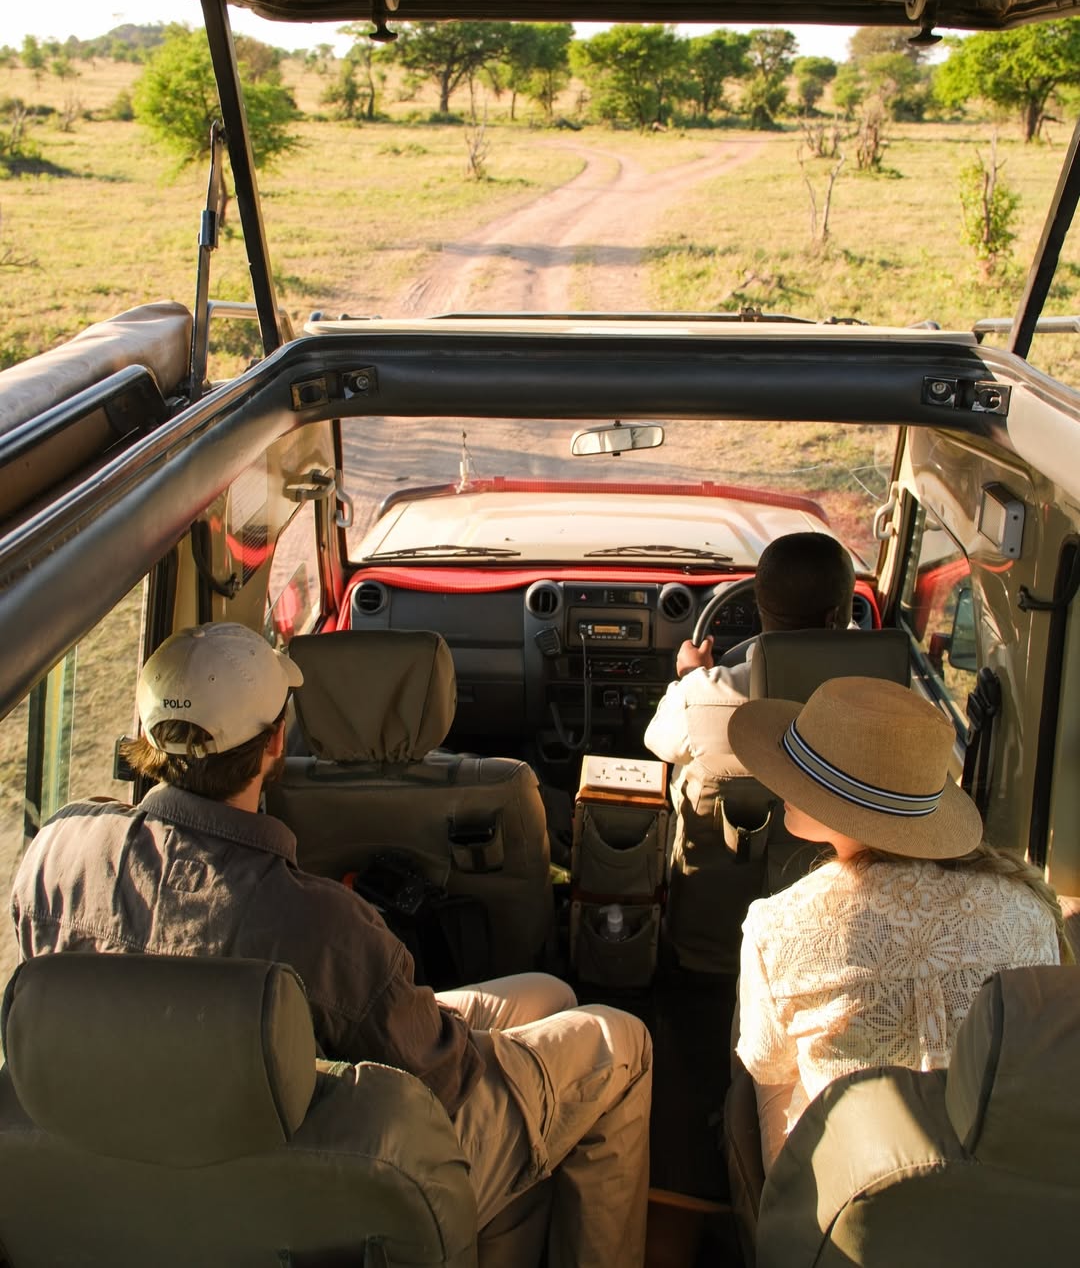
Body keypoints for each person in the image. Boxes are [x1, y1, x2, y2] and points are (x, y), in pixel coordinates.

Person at [11, 622, 652, 1268]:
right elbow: (442, 1075)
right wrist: (481, 1045)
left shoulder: (54, 857)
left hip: (141, 1162)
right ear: (274, 744)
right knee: (622, 1044)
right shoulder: (320, 925)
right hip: (329, 1184)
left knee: (550, 995)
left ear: (148, 737)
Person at [727, 674, 1069, 1171]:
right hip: (1006, 1193)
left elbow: (767, 1066)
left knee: (758, 1076)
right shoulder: (1029, 909)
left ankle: (768, 1237)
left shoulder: (776, 928)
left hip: (860, 1201)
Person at [644, 531, 856, 810]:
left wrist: (691, 675)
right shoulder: (881, 694)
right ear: (836, 616)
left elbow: (658, 741)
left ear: (759, 606)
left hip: (723, 847)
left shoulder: (701, 698)